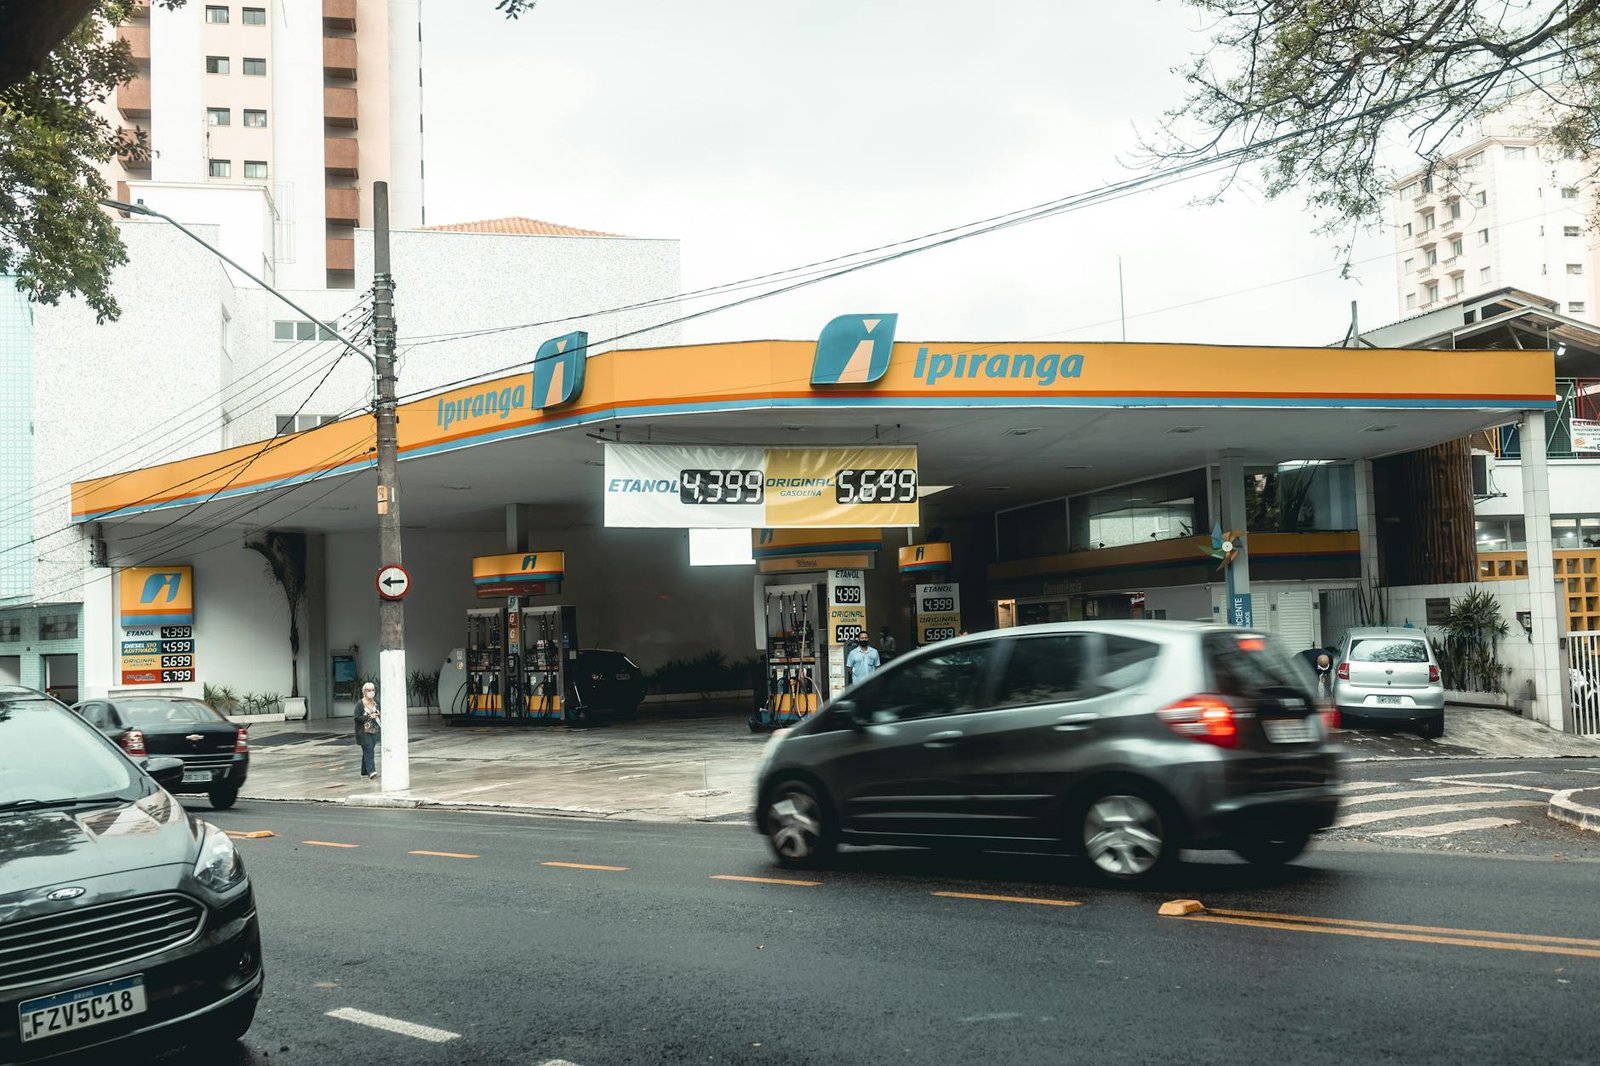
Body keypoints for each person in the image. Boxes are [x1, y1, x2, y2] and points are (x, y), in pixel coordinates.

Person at [355, 682, 381, 780]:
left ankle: (364, 771)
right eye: (369, 690)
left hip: (374, 730)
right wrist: (369, 716)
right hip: (363, 732)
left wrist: (378, 714)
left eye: (373, 690)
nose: (371, 692)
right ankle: (371, 772)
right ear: (364, 692)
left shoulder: (376, 703)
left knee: (368, 750)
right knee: (369, 750)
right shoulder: (360, 704)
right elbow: (357, 718)